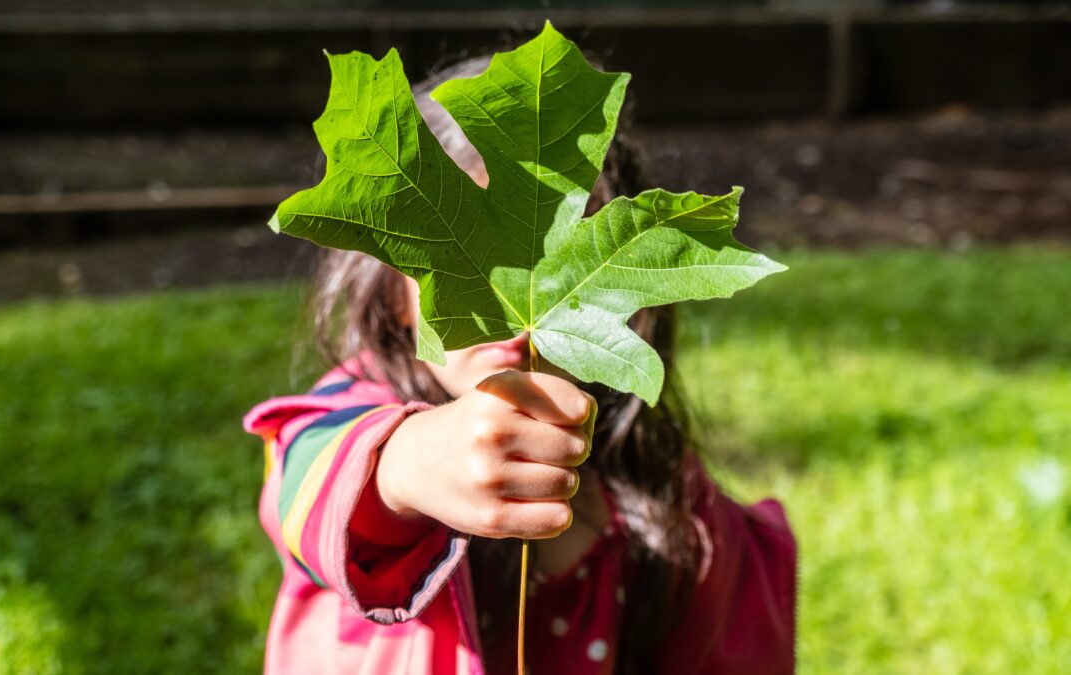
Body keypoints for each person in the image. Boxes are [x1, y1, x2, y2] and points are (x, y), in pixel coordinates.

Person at [244, 58, 797, 675]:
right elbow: (306, 486)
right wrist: (408, 467)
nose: (511, 305)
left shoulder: (663, 490)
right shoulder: (349, 412)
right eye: (462, 267)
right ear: (391, 291)